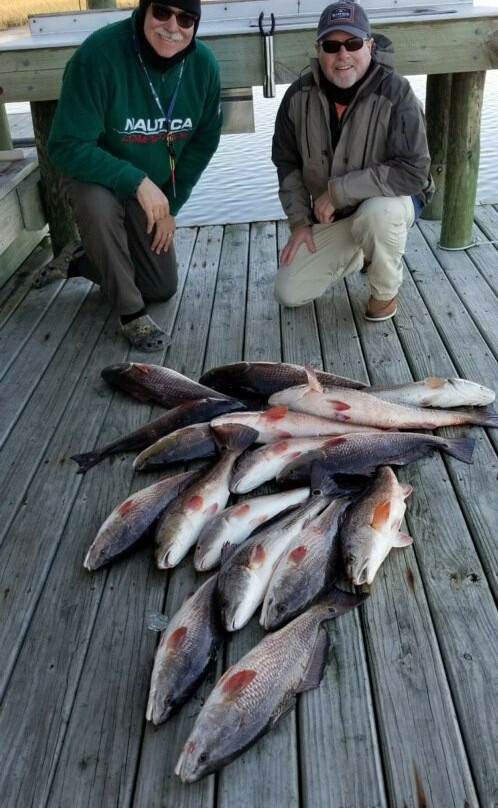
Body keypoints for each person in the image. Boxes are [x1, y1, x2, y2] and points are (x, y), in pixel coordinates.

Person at [35, 0, 222, 352]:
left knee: (160, 287)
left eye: (186, 18)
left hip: (149, 190)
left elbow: (205, 139)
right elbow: (65, 145)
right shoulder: (98, 56)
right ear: (144, 10)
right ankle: (130, 313)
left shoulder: (203, 67)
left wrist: (172, 206)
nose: (172, 26)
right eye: (162, 12)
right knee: (98, 208)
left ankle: (83, 260)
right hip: (96, 176)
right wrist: (136, 181)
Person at [272, 0, 434, 321]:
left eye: (353, 43)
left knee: (378, 214)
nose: (342, 55)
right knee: (288, 292)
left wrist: (338, 191)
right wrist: (301, 222)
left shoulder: (398, 93)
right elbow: (286, 163)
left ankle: (384, 293)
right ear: (319, 50)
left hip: (390, 205)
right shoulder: (297, 97)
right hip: (337, 218)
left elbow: (415, 172)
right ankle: (363, 251)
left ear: (369, 46)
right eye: (332, 45)